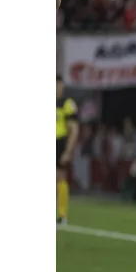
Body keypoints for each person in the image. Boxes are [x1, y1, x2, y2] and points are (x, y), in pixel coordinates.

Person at [56, 75, 79, 224]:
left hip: (59, 142)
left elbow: (74, 129)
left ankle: (62, 214)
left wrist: (68, 151)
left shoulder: (67, 104)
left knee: (59, 178)